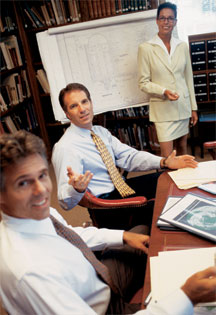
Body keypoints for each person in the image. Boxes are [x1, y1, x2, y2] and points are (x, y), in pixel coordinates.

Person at [0, 131, 215, 315]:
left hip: (97, 277)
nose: (42, 190)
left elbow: (70, 233)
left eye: (42, 175)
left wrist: (122, 236)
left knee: (143, 233)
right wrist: (187, 296)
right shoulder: (30, 272)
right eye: (23, 183)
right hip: (102, 309)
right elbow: (67, 200)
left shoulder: (34, 214)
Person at [52, 82, 197, 228]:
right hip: (108, 206)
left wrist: (164, 162)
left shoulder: (100, 132)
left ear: (91, 102)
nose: (82, 109)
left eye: (84, 102)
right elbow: (64, 202)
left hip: (122, 188)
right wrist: (77, 189)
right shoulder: (65, 147)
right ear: (67, 114)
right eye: (73, 106)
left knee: (169, 180)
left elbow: (129, 157)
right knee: (163, 206)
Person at [138, 2, 198, 157]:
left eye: (170, 18)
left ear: (175, 22)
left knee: (183, 152)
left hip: (182, 106)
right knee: (168, 158)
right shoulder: (146, 48)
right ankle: (171, 182)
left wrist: (193, 108)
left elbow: (188, 78)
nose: (167, 22)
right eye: (163, 18)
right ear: (157, 21)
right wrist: (164, 91)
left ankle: (185, 182)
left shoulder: (182, 46)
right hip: (163, 110)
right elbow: (143, 83)